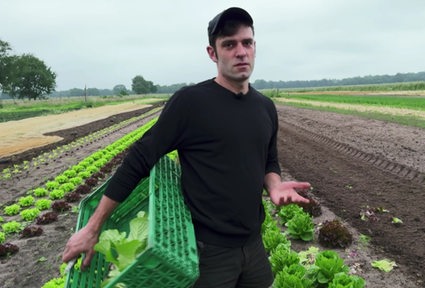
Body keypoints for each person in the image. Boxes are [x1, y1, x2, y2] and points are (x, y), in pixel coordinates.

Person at [62, 7, 310, 288]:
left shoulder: (265, 107)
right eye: (229, 44)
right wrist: (93, 227)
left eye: (247, 42)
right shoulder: (191, 103)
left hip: (253, 247)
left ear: (254, 46)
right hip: (208, 254)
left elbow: (269, 161)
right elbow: (139, 160)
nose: (240, 51)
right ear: (212, 53)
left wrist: (274, 186)